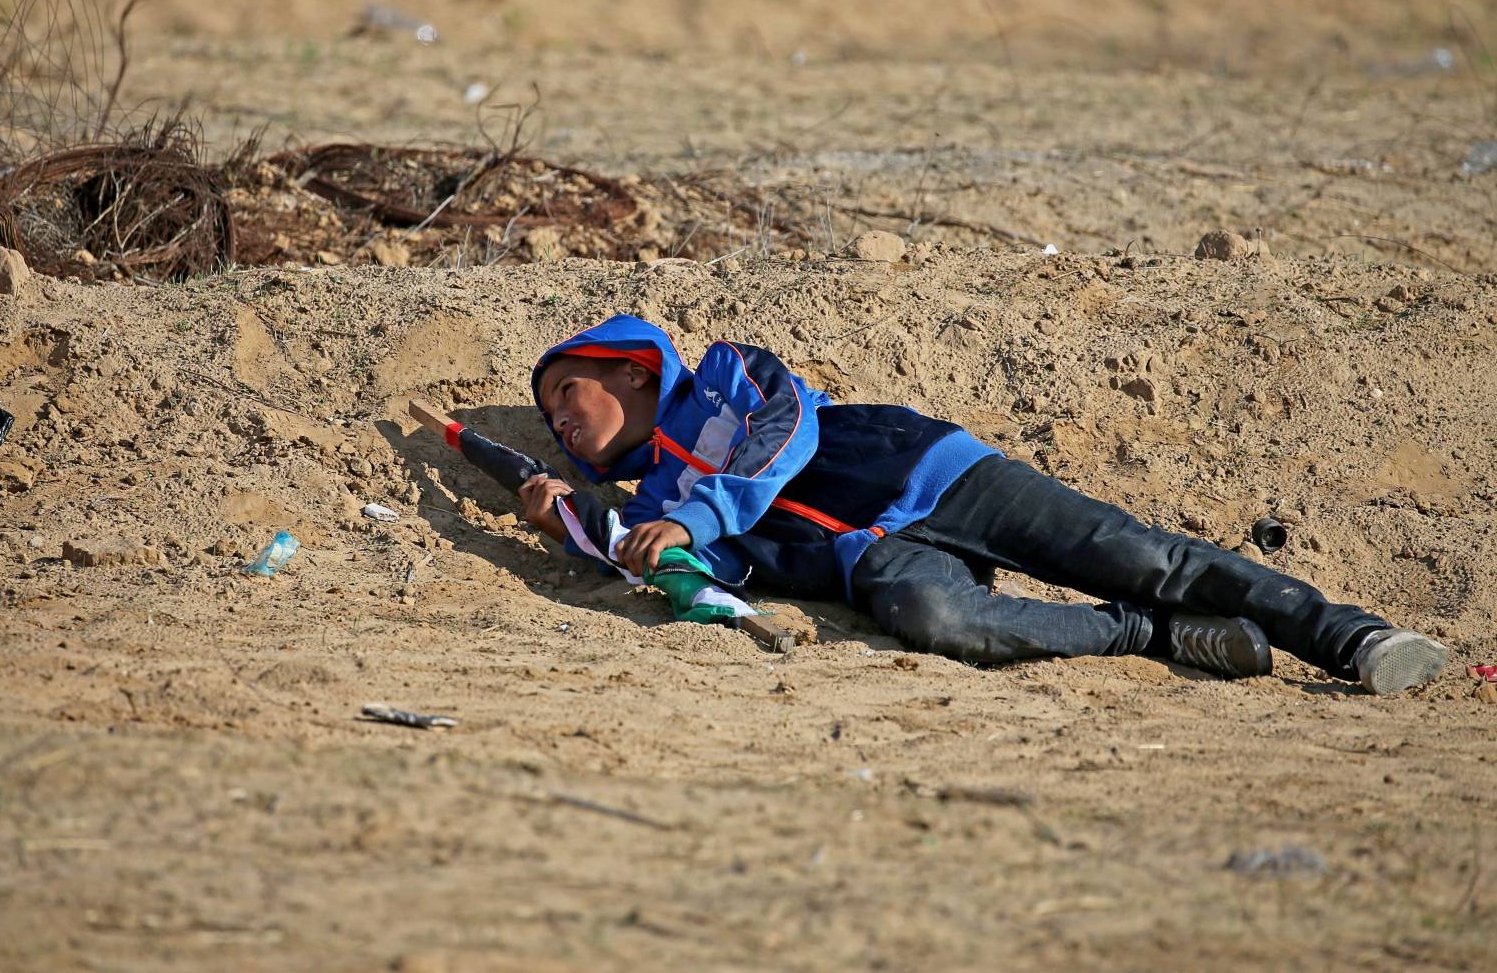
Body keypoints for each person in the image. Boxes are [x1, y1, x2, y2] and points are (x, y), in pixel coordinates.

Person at [518, 314, 1449, 695]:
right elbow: (713, 566)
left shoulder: (727, 374)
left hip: (939, 474)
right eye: (548, 417)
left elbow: (784, 437)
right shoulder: (657, 501)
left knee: (1146, 555)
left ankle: (1352, 639)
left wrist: (695, 515)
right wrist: (585, 526)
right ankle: (1152, 636)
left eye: (568, 391)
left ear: (632, 367)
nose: (560, 420)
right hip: (875, 561)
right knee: (935, 615)